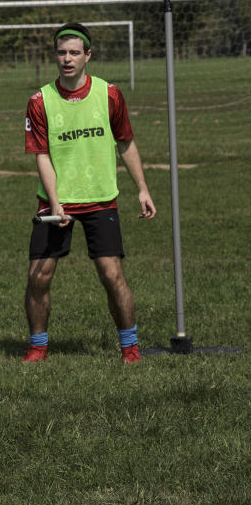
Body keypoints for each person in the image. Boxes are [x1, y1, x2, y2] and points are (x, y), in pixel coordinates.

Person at [23, 23, 156, 364]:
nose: (66, 59)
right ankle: (38, 347)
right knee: (39, 277)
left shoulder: (109, 94)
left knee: (112, 275)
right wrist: (56, 203)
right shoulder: (40, 101)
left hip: (100, 199)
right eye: (61, 53)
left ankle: (130, 347)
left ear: (87, 56)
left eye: (74, 53)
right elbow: (41, 155)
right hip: (55, 202)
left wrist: (142, 188)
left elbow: (125, 142)